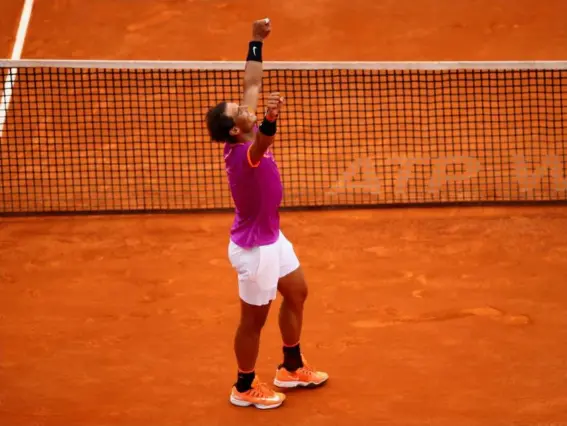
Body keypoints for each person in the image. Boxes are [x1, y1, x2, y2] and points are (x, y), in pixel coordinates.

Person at [205, 18, 329, 410]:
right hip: (254, 249)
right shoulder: (245, 154)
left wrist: (256, 41)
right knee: (253, 322)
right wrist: (272, 119)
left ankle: (291, 366)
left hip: (273, 238)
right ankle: (243, 385)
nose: (246, 107)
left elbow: (252, 84)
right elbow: (264, 142)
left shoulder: (243, 128)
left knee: (297, 292)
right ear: (235, 130)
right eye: (239, 110)